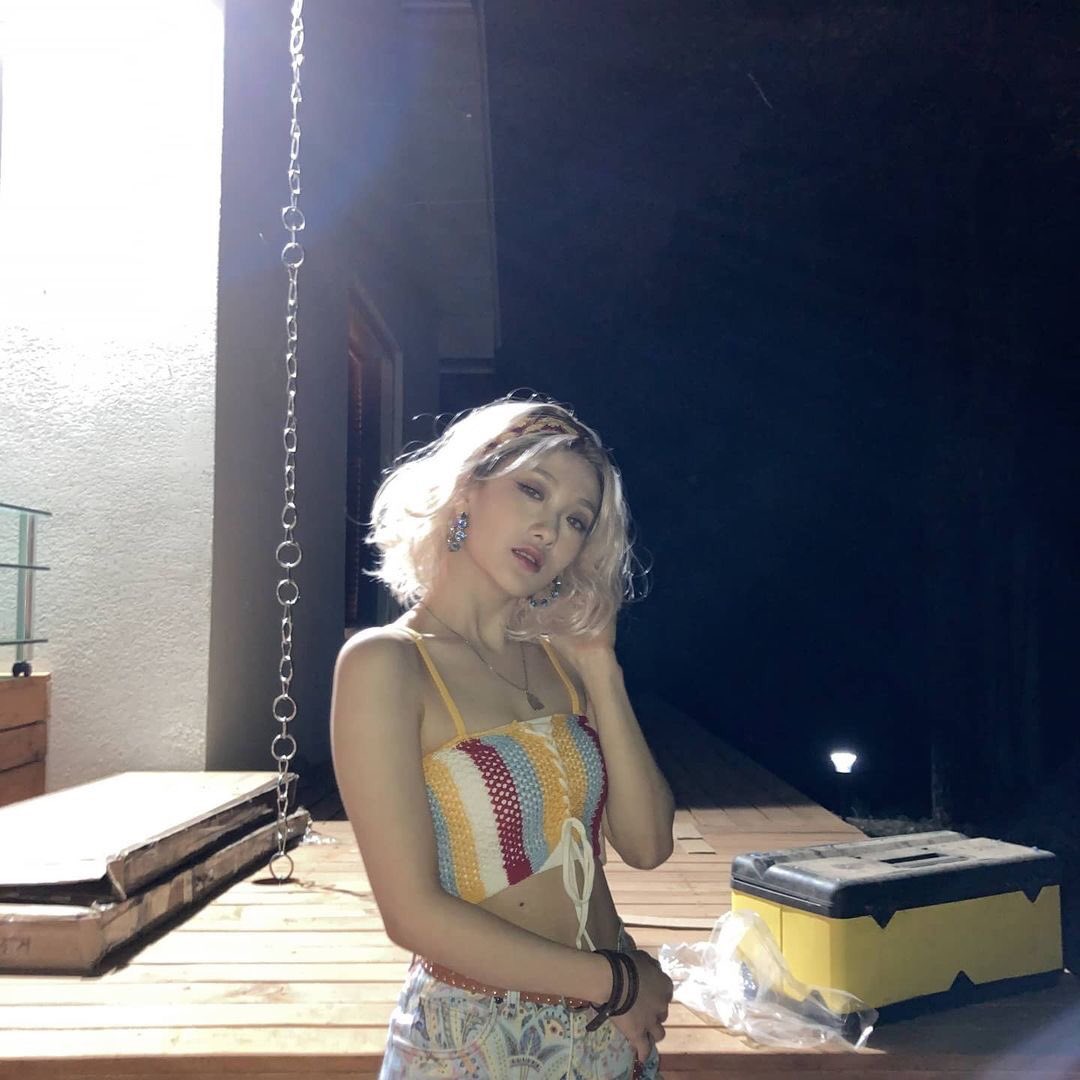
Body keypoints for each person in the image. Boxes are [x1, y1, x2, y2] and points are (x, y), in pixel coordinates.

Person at [331, 397, 676, 1079]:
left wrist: (601, 667)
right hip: (478, 1037)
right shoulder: (387, 663)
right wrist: (617, 982)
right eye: (532, 490)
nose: (549, 529)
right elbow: (411, 915)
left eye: (576, 520)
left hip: (611, 1038)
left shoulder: (560, 663)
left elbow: (647, 845)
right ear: (466, 489)